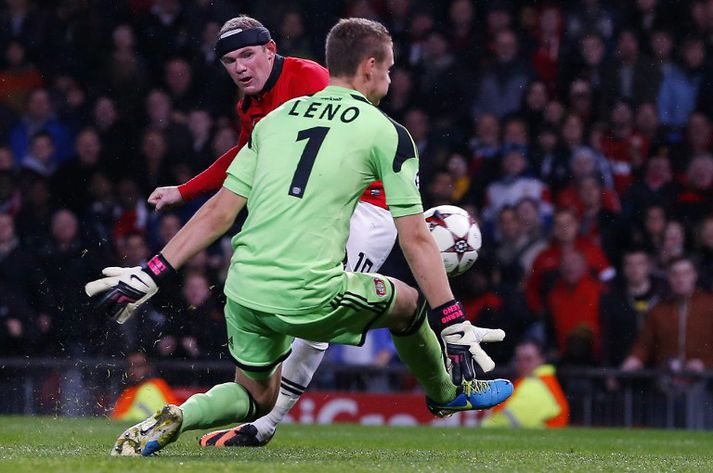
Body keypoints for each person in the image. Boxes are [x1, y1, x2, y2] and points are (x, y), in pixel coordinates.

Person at [85, 18, 512, 457]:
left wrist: (153, 271)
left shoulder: (274, 121)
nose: (390, 77)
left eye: (246, 56)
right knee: (409, 306)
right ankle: (444, 394)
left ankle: (183, 414)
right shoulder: (386, 131)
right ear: (369, 67)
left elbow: (219, 211)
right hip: (318, 274)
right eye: (389, 68)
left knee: (253, 394)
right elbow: (418, 239)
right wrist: (453, 319)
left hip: (245, 285)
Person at [147, 15, 399, 447]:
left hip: (364, 207)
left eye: (248, 54)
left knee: (320, 318)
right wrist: (185, 191)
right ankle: (253, 403)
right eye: (229, 60)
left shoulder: (311, 79)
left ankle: (264, 424)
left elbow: (361, 130)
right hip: (312, 211)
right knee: (286, 300)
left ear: (270, 49)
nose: (241, 67)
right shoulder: (250, 105)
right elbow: (246, 156)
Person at [481, 340, 568, 428]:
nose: (523, 364)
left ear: (541, 359)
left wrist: (485, 425)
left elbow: (513, 418)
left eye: (528, 359)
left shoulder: (535, 384)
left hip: (546, 437)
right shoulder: (542, 380)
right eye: (518, 359)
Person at [111, 352, 176, 422]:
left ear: (147, 367)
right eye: (131, 366)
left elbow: (175, 411)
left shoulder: (157, 385)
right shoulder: (128, 392)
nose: (134, 370)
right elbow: (116, 418)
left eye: (139, 366)